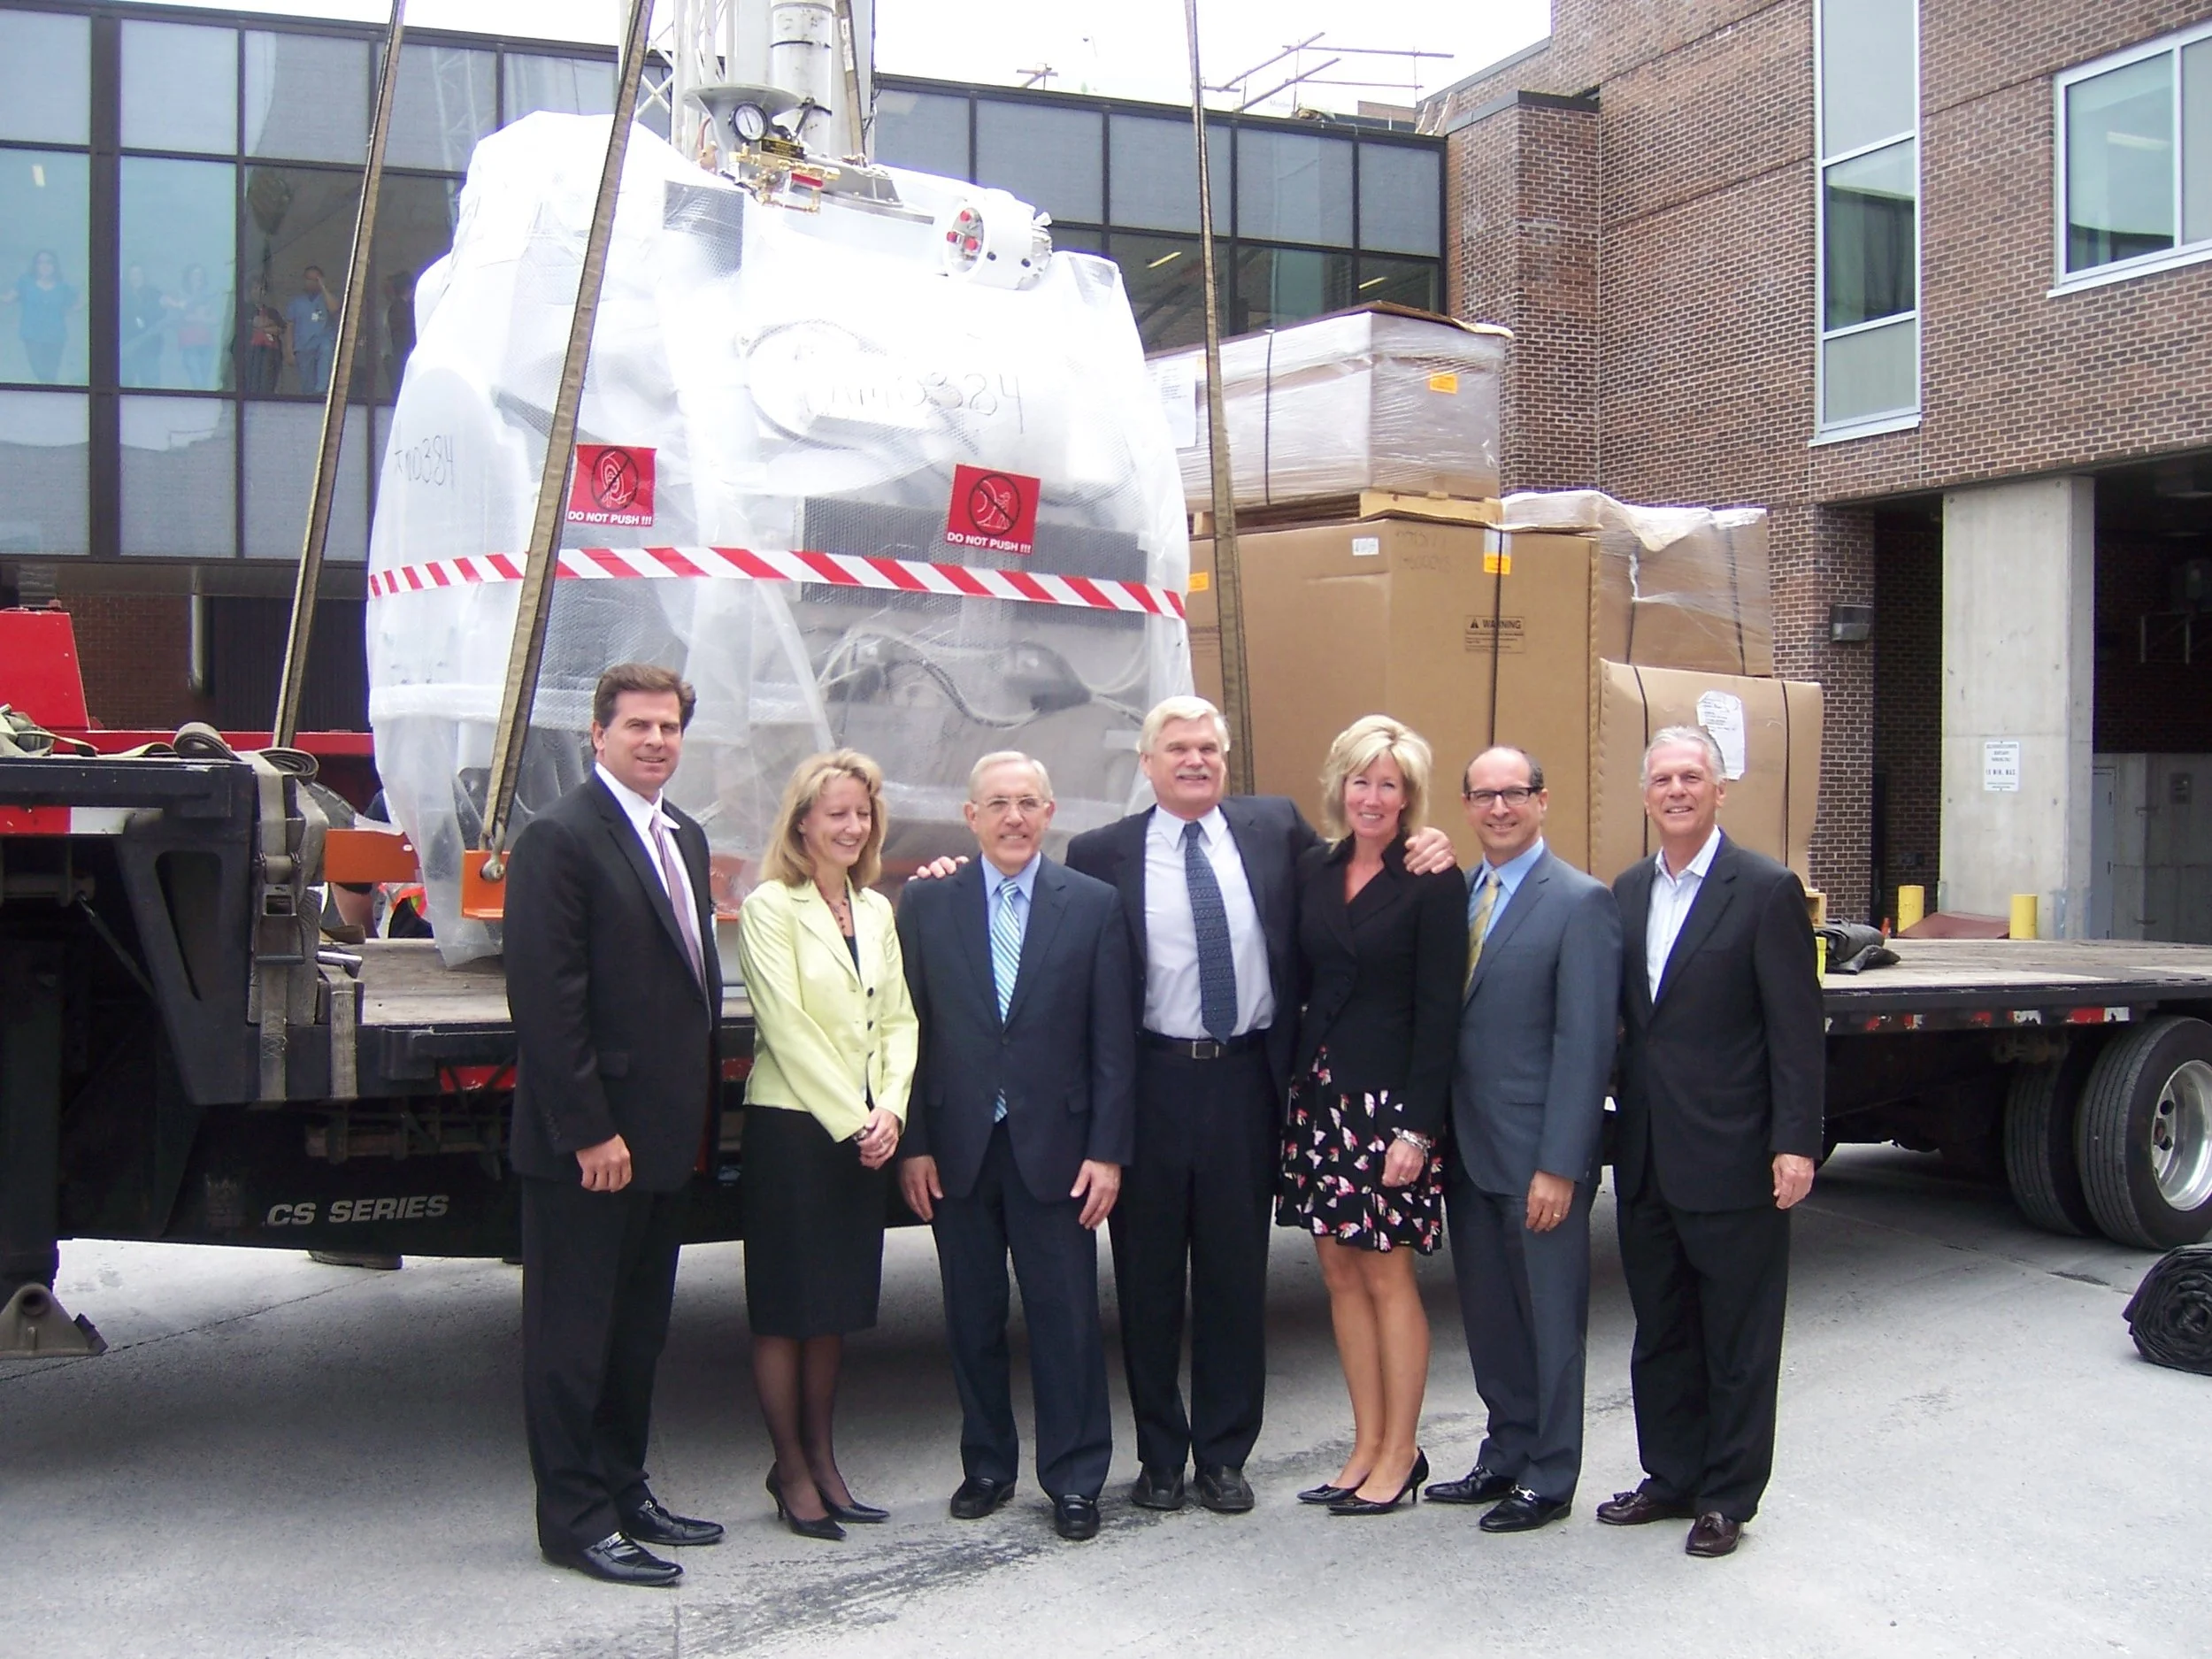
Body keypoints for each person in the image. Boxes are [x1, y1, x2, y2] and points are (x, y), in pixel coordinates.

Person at [1064, 695, 1455, 1516]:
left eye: (1209, 746)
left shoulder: (1275, 831)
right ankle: (1161, 1458)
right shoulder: (1100, 853)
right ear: (1147, 761)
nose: (1196, 759)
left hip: (1249, 1083)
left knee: (1237, 1278)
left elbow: (1367, 868)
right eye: (1178, 748)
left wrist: (1428, 837)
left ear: (1226, 757)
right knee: (1146, 1282)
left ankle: (1224, 1455)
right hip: (1151, 1085)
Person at [503, 663, 726, 1587]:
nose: (655, 741)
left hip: (665, 1140)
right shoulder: (559, 838)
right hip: (591, 1147)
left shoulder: (685, 835)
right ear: (596, 736)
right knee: (572, 1337)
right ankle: (574, 1518)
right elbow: (548, 1004)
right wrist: (589, 1130)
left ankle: (625, 1486)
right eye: (636, 726)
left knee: (638, 1333)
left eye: (669, 727)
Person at [1597, 726, 1824, 1558]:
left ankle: (1727, 1494)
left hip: (1735, 1154)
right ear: (1647, 792)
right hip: (1650, 1154)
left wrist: (1794, 1143)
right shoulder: (1625, 891)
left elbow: (1796, 1033)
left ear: (1720, 790)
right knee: (1661, 1329)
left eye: (1692, 776)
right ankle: (1671, 1476)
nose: (1677, 790)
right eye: (1662, 778)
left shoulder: (1764, 889)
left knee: (1737, 1335)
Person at [897, 752, 1133, 1542]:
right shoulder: (927, 903)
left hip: (1059, 1149)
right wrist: (915, 1145)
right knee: (971, 1315)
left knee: (1066, 1318)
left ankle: (1074, 1476)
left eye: (1028, 802)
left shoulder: (1093, 905)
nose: (1013, 817)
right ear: (970, 816)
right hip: (959, 1146)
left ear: (1049, 810)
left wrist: (1107, 1150)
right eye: (997, 802)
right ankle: (988, 1463)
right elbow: (911, 1035)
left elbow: (1112, 1043)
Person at [1425, 746, 1622, 1532]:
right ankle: (1505, 1451)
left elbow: (1585, 1046)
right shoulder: (1461, 893)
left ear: (1542, 800)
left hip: (1539, 1157)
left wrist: (1560, 1164)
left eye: (1514, 793)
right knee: (1491, 1318)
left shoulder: (1580, 901)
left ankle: (1550, 1471)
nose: (1498, 808)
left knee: (1549, 1319)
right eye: (1483, 795)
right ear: (1467, 806)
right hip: (1469, 1154)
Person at [1275, 715, 1464, 1517]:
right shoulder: (1313, 868)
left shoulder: (1431, 878)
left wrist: (1418, 1131)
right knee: (1339, 1274)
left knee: (1388, 1275)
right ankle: (1363, 1445)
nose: (1374, 795)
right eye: (1362, 779)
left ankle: (1402, 1451)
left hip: (1390, 1112)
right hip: (1320, 1102)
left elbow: (1440, 1014)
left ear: (1410, 797)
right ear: (1340, 785)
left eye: (1390, 783)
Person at [734, 749, 918, 1542]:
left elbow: (901, 1019)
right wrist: (856, 1118)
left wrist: (893, 1114)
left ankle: (824, 1459)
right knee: (786, 1308)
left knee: (833, 1309)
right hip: (794, 1129)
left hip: (864, 1133)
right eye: (836, 812)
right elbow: (785, 1026)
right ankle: (791, 1467)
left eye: (862, 813)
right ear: (803, 820)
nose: (852, 825)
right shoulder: (771, 906)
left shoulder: (876, 910)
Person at [4, 250, 76, 383]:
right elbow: (8, 299)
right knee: (40, 371)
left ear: (55, 265)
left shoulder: (63, 287)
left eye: (49, 262)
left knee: (51, 373)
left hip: (56, 337)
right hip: (32, 335)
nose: (45, 266)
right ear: (35, 265)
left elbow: (75, 305)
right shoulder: (25, 282)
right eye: (40, 262)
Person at [167, 264, 220, 389]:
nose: (199, 277)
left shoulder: (209, 297)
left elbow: (216, 320)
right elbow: (179, 316)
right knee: (198, 381)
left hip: (207, 345)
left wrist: (197, 318)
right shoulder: (180, 297)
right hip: (190, 345)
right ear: (189, 277)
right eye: (196, 274)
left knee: (204, 380)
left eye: (201, 274)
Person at [286, 265, 336, 395]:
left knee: (325, 347)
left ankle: (322, 390)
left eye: (315, 279)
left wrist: (323, 287)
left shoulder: (326, 299)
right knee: (307, 387)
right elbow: (290, 327)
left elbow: (335, 309)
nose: (311, 283)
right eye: (308, 279)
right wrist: (289, 351)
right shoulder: (296, 302)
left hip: (321, 342)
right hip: (303, 347)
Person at [119, 262, 165, 388]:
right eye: (132, 274)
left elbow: (161, 315)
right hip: (128, 346)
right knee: (127, 383)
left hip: (149, 347)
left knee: (150, 383)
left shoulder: (154, 294)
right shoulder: (121, 296)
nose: (136, 277)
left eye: (139, 273)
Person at [242, 280, 284, 395]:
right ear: (250, 291)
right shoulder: (245, 309)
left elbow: (279, 329)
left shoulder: (272, 311)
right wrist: (268, 325)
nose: (258, 292)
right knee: (251, 386)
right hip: (252, 354)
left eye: (261, 289)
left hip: (271, 353)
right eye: (255, 289)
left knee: (268, 385)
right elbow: (256, 322)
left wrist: (261, 328)